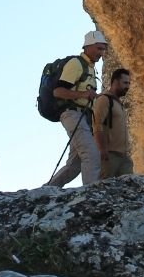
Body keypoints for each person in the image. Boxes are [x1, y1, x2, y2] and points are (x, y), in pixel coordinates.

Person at [45, 30, 107, 188]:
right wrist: (84, 94)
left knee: (75, 164)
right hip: (72, 114)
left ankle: (47, 190)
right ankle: (92, 195)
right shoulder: (76, 64)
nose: (102, 53)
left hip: (82, 117)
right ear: (88, 47)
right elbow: (58, 91)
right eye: (99, 49)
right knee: (91, 155)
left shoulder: (90, 67)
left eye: (103, 49)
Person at [93, 68, 133, 179]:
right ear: (115, 82)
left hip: (124, 157)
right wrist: (102, 149)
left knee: (128, 189)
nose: (128, 86)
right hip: (110, 155)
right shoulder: (104, 99)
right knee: (105, 189)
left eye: (129, 83)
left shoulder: (117, 103)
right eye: (125, 83)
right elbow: (97, 125)